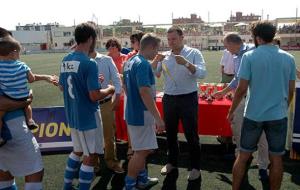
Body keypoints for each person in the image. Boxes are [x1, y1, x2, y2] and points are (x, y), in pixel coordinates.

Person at [229, 21, 296, 190]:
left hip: (253, 115)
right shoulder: (289, 58)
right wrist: (283, 106)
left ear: (257, 38)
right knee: (276, 159)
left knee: (243, 155)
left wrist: (231, 110)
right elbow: (291, 90)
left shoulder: (250, 56)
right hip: (278, 116)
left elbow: (241, 88)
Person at [58, 22, 115, 190]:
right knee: (90, 156)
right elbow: (94, 96)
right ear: (91, 39)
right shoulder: (90, 63)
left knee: (77, 151)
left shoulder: (66, 59)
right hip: (88, 117)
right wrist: (110, 89)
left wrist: (93, 84)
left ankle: (67, 186)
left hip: (73, 116)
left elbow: (62, 86)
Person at [152, 26, 207, 182]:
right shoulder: (165, 56)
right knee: (170, 133)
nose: (170, 42)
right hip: (169, 98)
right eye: (168, 39)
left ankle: (196, 167)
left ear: (182, 37)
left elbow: (202, 73)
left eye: (174, 39)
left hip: (188, 98)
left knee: (191, 134)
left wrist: (187, 63)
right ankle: (172, 163)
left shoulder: (193, 53)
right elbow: (156, 74)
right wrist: (156, 61)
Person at [213, 33, 270, 181]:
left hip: (258, 100)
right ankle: (241, 156)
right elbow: (238, 79)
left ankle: (263, 166)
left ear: (233, 43)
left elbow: (246, 81)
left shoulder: (252, 52)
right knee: (237, 128)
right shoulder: (237, 56)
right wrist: (224, 92)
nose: (226, 49)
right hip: (243, 98)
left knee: (263, 135)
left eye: (226, 46)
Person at [0, 28, 44, 190]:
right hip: (13, 127)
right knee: (35, 171)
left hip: (8, 130)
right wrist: (25, 102)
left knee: (4, 172)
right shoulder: (17, 66)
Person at [123, 33, 165, 190]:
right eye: (157, 48)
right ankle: (130, 185)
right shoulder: (143, 63)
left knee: (140, 150)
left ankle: (141, 180)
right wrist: (158, 118)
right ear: (152, 46)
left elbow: (125, 87)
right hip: (142, 115)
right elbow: (145, 92)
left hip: (133, 112)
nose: (157, 52)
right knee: (141, 152)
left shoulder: (129, 61)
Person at [0, 36, 56, 146]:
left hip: (8, 96)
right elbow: (31, 79)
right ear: (14, 53)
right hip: (23, 96)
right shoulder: (22, 65)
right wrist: (46, 77)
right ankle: (30, 120)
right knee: (27, 104)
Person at [89, 50, 124, 173]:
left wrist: (117, 97)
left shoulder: (106, 60)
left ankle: (111, 162)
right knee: (90, 136)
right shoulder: (80, 60)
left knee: (109, 135)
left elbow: (116, 79)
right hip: (87, 105)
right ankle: (93, 164)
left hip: (105, 103)